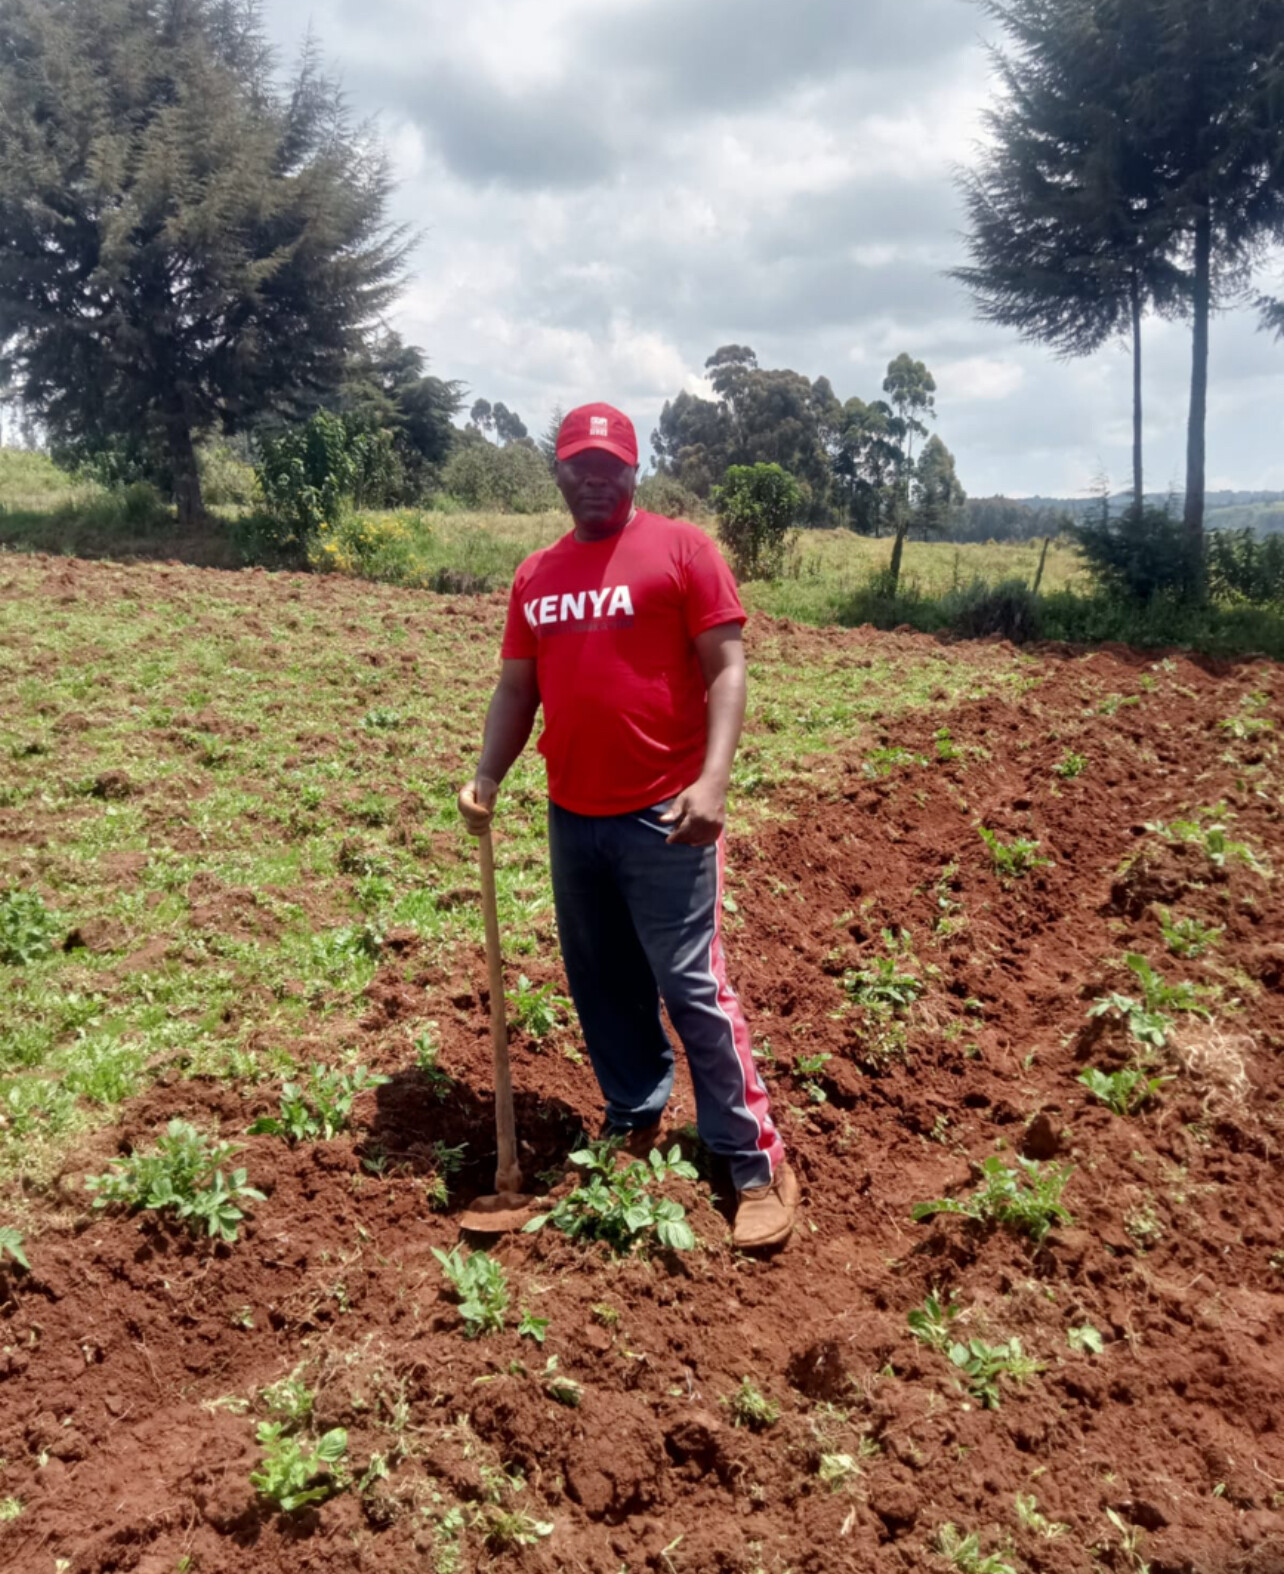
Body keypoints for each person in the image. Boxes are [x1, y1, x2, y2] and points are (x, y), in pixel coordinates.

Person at [457, 402, 797, 1250]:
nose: (595, 480)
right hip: (573, 815)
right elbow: (518, 688)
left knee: (693, 988)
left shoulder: (684, 550)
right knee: (601, 980)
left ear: (635, 471)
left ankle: (754, 1162)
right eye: (580, 465)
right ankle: (636, 1113)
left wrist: (713, 781)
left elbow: (726, 669)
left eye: (611, 466)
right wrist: (488, 772)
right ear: (559, 473)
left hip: (666, 813)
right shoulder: (536, 576)